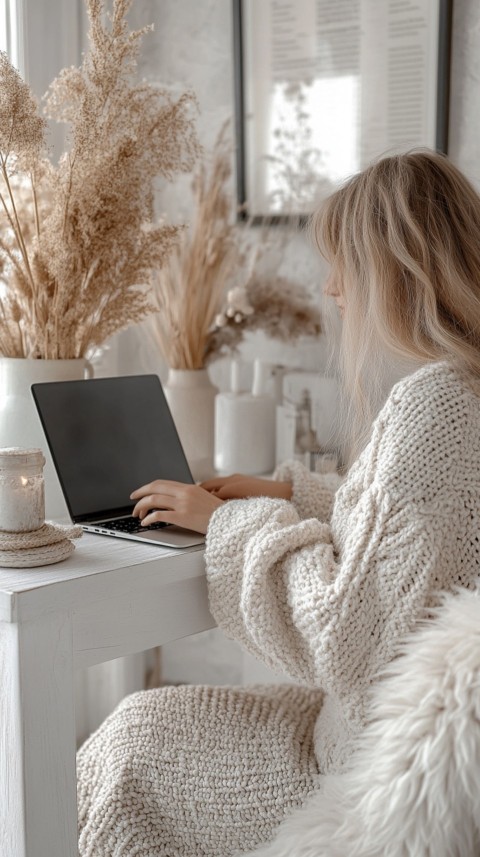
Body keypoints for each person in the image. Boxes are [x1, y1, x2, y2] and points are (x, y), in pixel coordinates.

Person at [76, 149, 480, 857]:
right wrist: (288, 491)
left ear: (396, 271)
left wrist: (225, 520)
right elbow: (411, 540)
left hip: (353, 765)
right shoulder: (466, 390)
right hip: (390, 741)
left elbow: (343, 633)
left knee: (126, 747)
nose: (330, 289)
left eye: (342, 266)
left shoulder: (431, 406)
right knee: (139, 722)